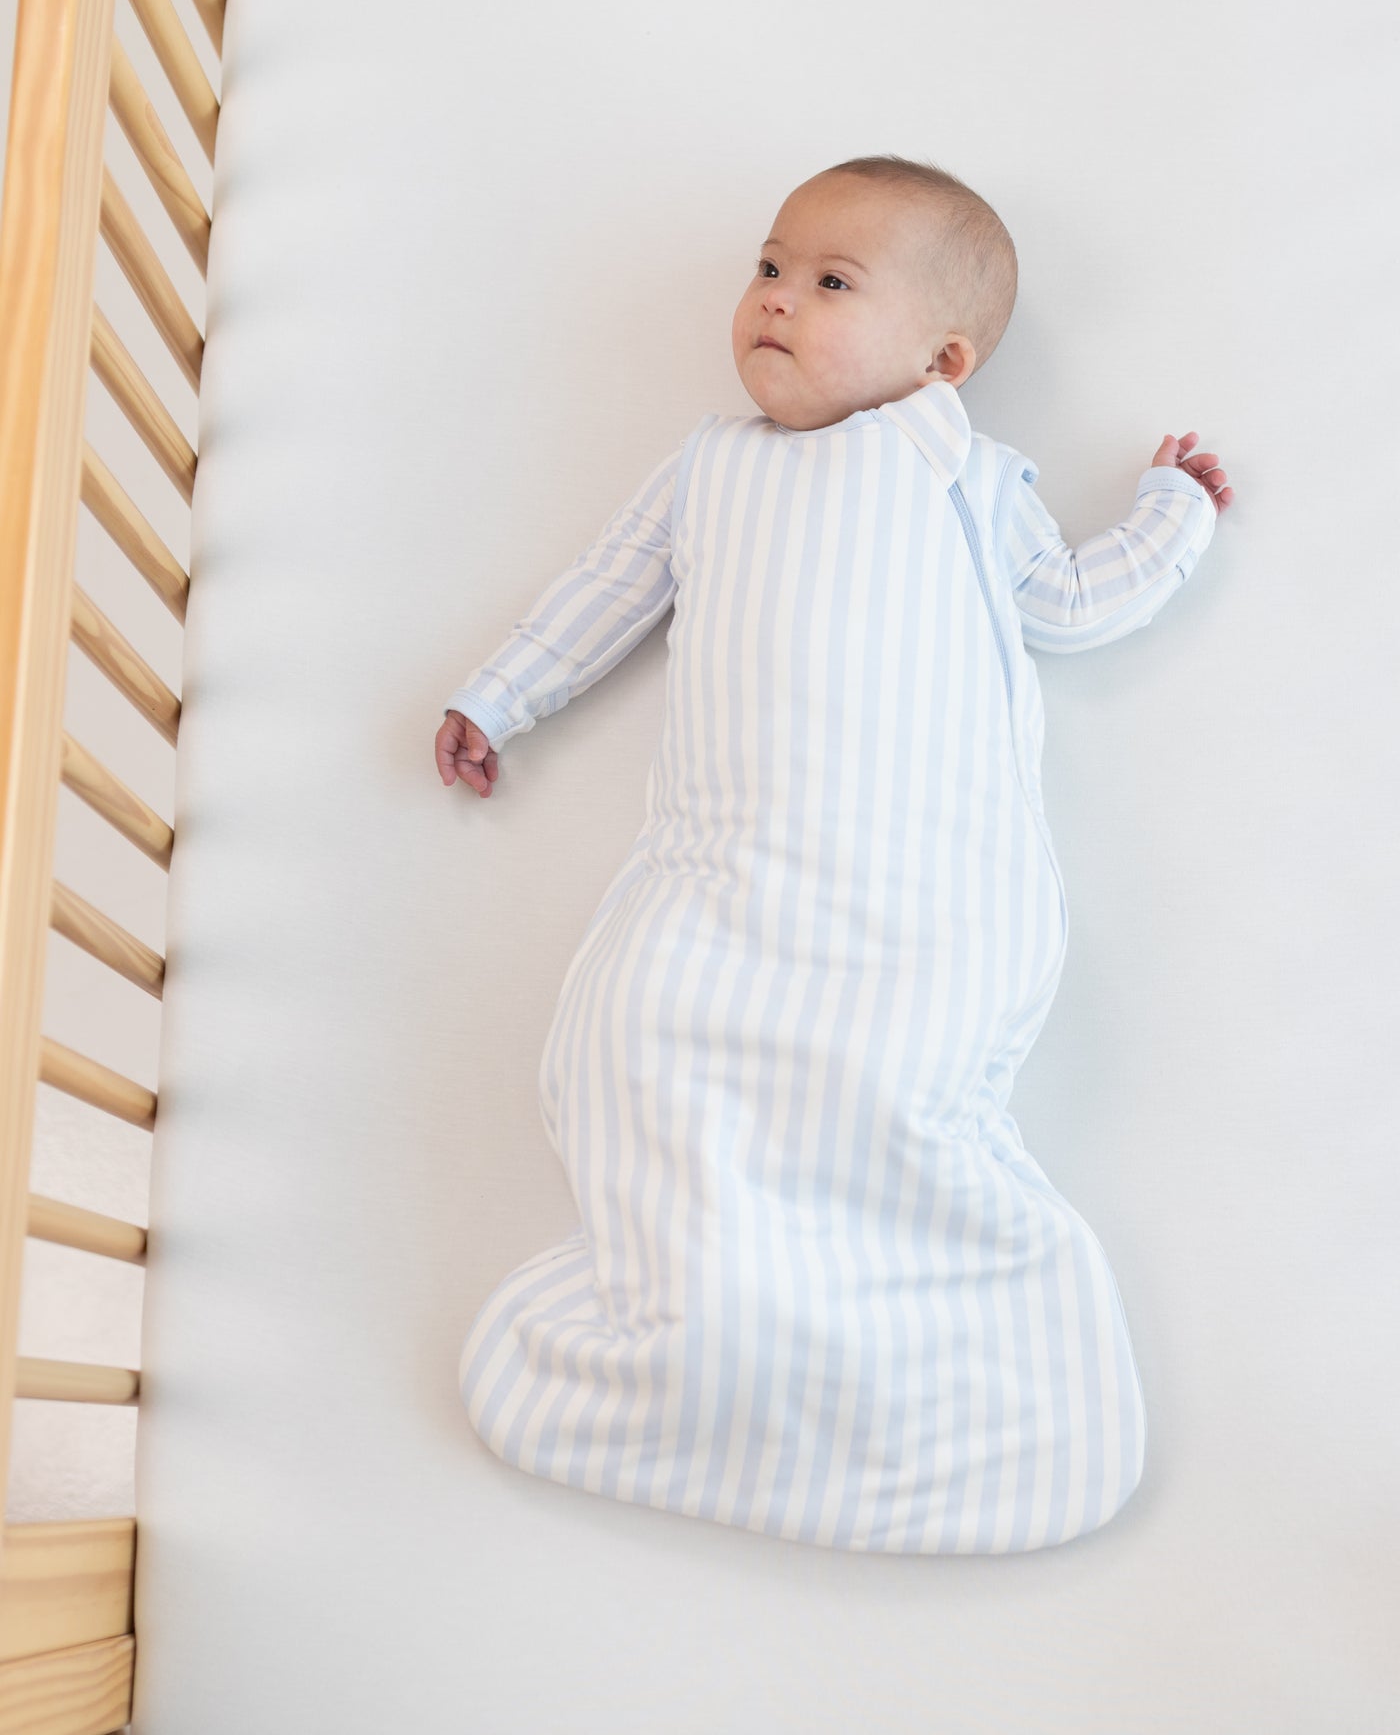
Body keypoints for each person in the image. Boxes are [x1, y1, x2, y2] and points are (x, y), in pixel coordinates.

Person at [436, 154, 1233, 1554]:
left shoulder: (963, 474)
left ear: (943, 359)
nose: (774, 303)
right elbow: (603, 594)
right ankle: (700, 1328)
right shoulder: (708, 466)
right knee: (637, 1041)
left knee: (887, 1086)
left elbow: (1076, 604)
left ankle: (913, 1354)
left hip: (919, 882)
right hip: (722, 869)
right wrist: (500, 695)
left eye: (828, 282)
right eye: (767, 267)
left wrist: (1176, 516)